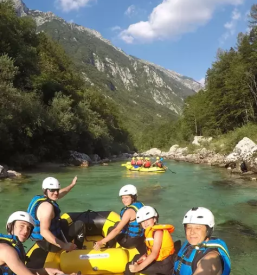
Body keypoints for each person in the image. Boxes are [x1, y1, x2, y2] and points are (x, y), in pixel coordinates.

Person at [0, 211, 72, 275]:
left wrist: (45, 270)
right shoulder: (6, 250)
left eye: (28, 228)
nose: (25, 231)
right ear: (9, 226)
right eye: (21, 226)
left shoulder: (14, 246)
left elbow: (20, 271)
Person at [27, 176, 85, 253]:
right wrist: (64, 245)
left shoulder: (39, 198)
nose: (56, 193)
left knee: (63, 222)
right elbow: (44, 231)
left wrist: (72, 185)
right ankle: (77, 250)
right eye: (52, 190)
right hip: (50, 244)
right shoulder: (47, 208)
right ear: (46, 190)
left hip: (41, 241)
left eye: (57, 190)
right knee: (79, 225)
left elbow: (61, 193)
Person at [173, 207, 231, 275]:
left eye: (198, 228)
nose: (192, 232)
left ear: (208, 230)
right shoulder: (190, 244)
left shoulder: (211, 259)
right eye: (189, 227)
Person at [93, 184, 145, 253]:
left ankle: (109, 248)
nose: (123, 200)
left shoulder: (129, 211)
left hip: (130, 242)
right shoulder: (140, 205)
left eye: (126, 198)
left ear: (133, 197)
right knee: (117, 224)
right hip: (140, 238)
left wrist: (101, 242)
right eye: (122, 198)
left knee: (111, 229)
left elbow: (116, 230)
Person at [125, 206, 175, 275]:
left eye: (147, 219)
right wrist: (146, 255)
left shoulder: (158, 232)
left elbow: (154, 254)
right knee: (136, 257)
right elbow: (151, 249)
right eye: (142, 221)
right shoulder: (150, 231)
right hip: (159, 261)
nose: (145, 223)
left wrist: (138, 268)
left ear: (154, 219)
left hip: (164, 266)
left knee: (129, 267)